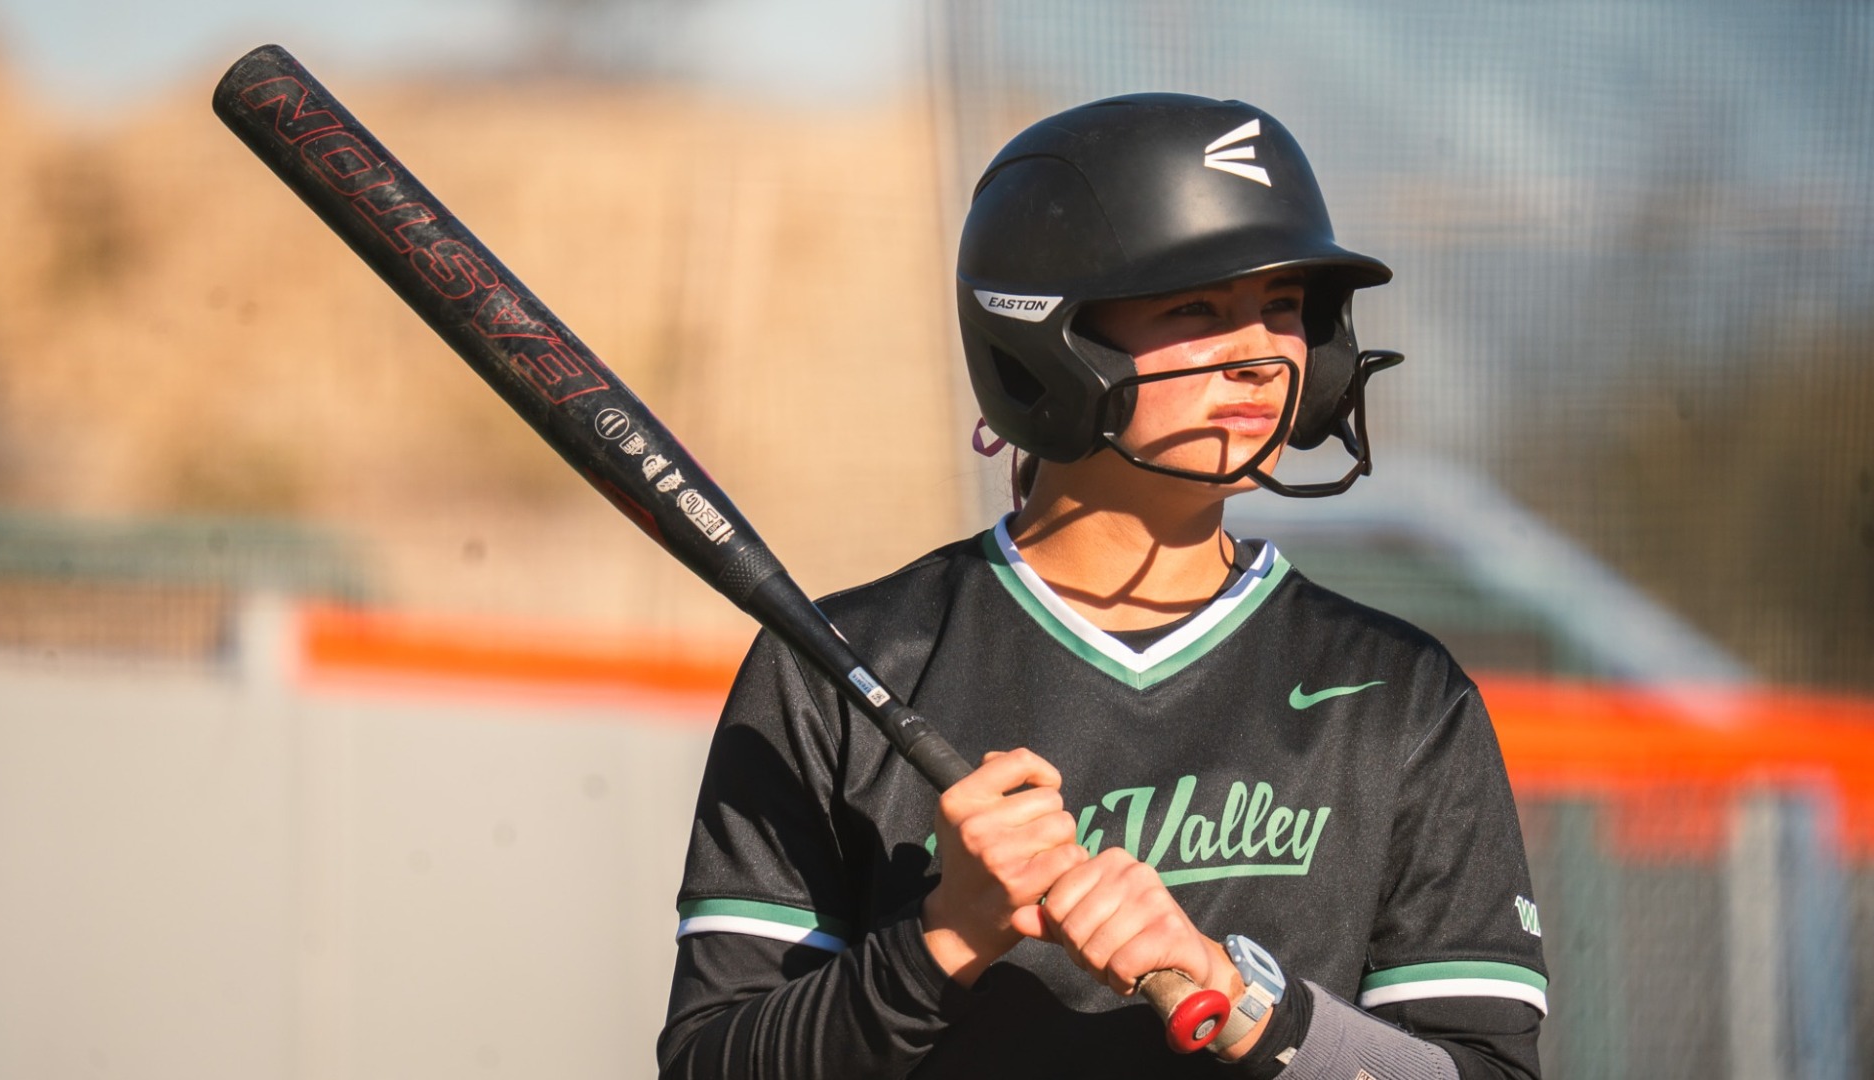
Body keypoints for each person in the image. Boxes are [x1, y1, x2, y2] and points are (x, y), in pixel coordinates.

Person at [657, 94, 1546, 1079]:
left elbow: (1487, 1070)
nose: (1258, 356)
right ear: (1049, 345)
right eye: (1195, 311)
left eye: (1284, 309)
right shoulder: (840, 667)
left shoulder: (1398, 697)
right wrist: (942, 941)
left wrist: (1240, 995)